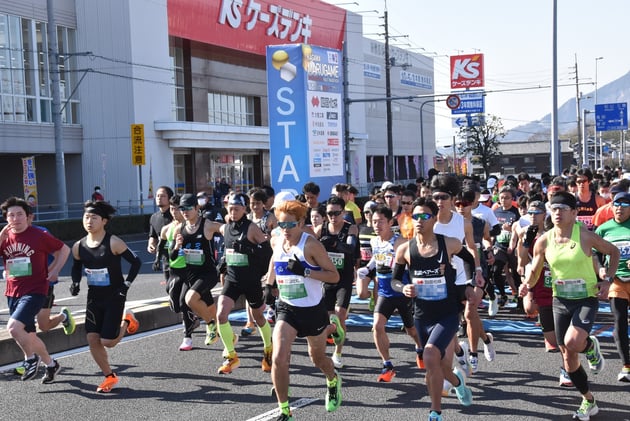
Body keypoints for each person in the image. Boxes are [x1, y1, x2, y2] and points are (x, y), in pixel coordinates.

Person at [522, 191, 620, 420]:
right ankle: (589, 400)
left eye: (563, 209)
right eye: (554, 209)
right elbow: (535, 269)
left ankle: (588, 346)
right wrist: (527, 286)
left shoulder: (584, 236)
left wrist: (607, 280)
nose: (557, 213)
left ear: (575, 213)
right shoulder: (544, 240)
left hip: (585, 298)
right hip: (560, 300)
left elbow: (613, 252)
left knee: (571, 341)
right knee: (567, 356)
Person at [395, 197, 473, 421]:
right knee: (439, 366)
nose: (419, 220)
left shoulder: (448, 243)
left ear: (434, 218)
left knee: (430, 356)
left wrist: (469, 284)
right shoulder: (405, 250)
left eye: (425, 216)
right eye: (416, 216)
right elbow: (394, 280)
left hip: (447, 314)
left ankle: (435, 412)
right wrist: (404, 288)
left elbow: (469, 259)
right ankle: (458, 383)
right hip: (421, 315)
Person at [263, 200, 342, 420]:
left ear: (301, 222)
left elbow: (334, 276)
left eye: (290, 225)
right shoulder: (277, 239)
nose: (285, 230)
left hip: (312, 309)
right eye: (281, 225)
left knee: (317, 359)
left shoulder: (311, 245)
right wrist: (269, 285)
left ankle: (333, 380)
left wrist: (305, 271)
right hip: (286, 308)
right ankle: (285, 410)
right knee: (279, 357)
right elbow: (274, 260)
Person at [69, 200, 143, 392]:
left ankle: (127, 321)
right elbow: (76, 266)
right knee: (92, 339)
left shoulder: (114, 242)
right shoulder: (79, 246)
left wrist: (125, 285)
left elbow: (136, 263)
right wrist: (75, 283)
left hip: (114, 295)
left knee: (108, 342)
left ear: (104, 221)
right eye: (86, 217)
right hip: (94, 297)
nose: (89, 221)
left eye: (94, 218)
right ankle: (109, 376)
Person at [0, 196, 70, 383]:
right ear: (6, 218)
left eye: (19, 214)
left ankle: (31, 359)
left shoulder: (39, 235)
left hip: (35, 290)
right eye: (11, 215)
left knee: (14, 328)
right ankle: (51, 364)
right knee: (28, 335)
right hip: (12, 291)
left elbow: (64, 250)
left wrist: (54, 270)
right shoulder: (5, 237)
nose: (15, 218)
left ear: (27, 216)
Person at [360, 205, 422, 381]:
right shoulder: (375, 242)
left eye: (381, 222)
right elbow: (375, 260)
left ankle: (420, 348)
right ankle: (387, 364)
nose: (377, 225)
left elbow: (411, 265)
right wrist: (366, 269)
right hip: (385, 293)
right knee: (377, 326)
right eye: (374, 222)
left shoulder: (400, 242)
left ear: (390, 222)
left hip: (402, 292)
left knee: (411, 330)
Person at [216, 193, 274, 374]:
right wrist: (223, 264)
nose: (233, 212)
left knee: (258, 317)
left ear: (244, 210)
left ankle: (268, 350)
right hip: (233, 279)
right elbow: (227, 249)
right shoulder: (225, 228)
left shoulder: (252, 228)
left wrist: (249, 249)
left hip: (251, 280)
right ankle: (231, 356)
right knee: (220, 315)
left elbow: (267, 252)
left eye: (237, 209)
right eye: (230, 208)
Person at [167, 194, 223, 351]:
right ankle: (230, 338)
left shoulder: (207, 225)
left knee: (189, 299)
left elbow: (224, 229)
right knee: (211, 309)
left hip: (208, 273)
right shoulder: (180, 228)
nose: (184, 212)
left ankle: (210, 326)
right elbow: (171, 256)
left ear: (197, 208)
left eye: (188, 208)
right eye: (182, 208)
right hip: (191, 274)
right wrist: (177, 246)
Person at [314, 195, 359, 369]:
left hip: (344, 278)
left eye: (337, 213)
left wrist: (333, 244)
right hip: (326, 278)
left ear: (343, 212)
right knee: (327, 317)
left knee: (340, 315)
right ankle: (334, 335)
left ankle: (337, 353)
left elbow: (349, 248)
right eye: (330, 213)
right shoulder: (320, 229)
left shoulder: (351, 228)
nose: (333, 217)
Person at [594, 191, 630, 383]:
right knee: (620, 323)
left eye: (624, 206)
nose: (619, 209)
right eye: (616, 205)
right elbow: (594, 253)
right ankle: (626, 365)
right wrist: (600, 269)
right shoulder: (604, 229)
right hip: (616, 281)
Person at [148, 186, 174, 284]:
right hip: (165, 260)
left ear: (169, 198)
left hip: (179, 259)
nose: (159, 198)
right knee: (170, 290)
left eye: (163, 196)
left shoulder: (176, 215)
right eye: (157, 195)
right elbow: (153, 235)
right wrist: (151, 245)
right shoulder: (154, 217)